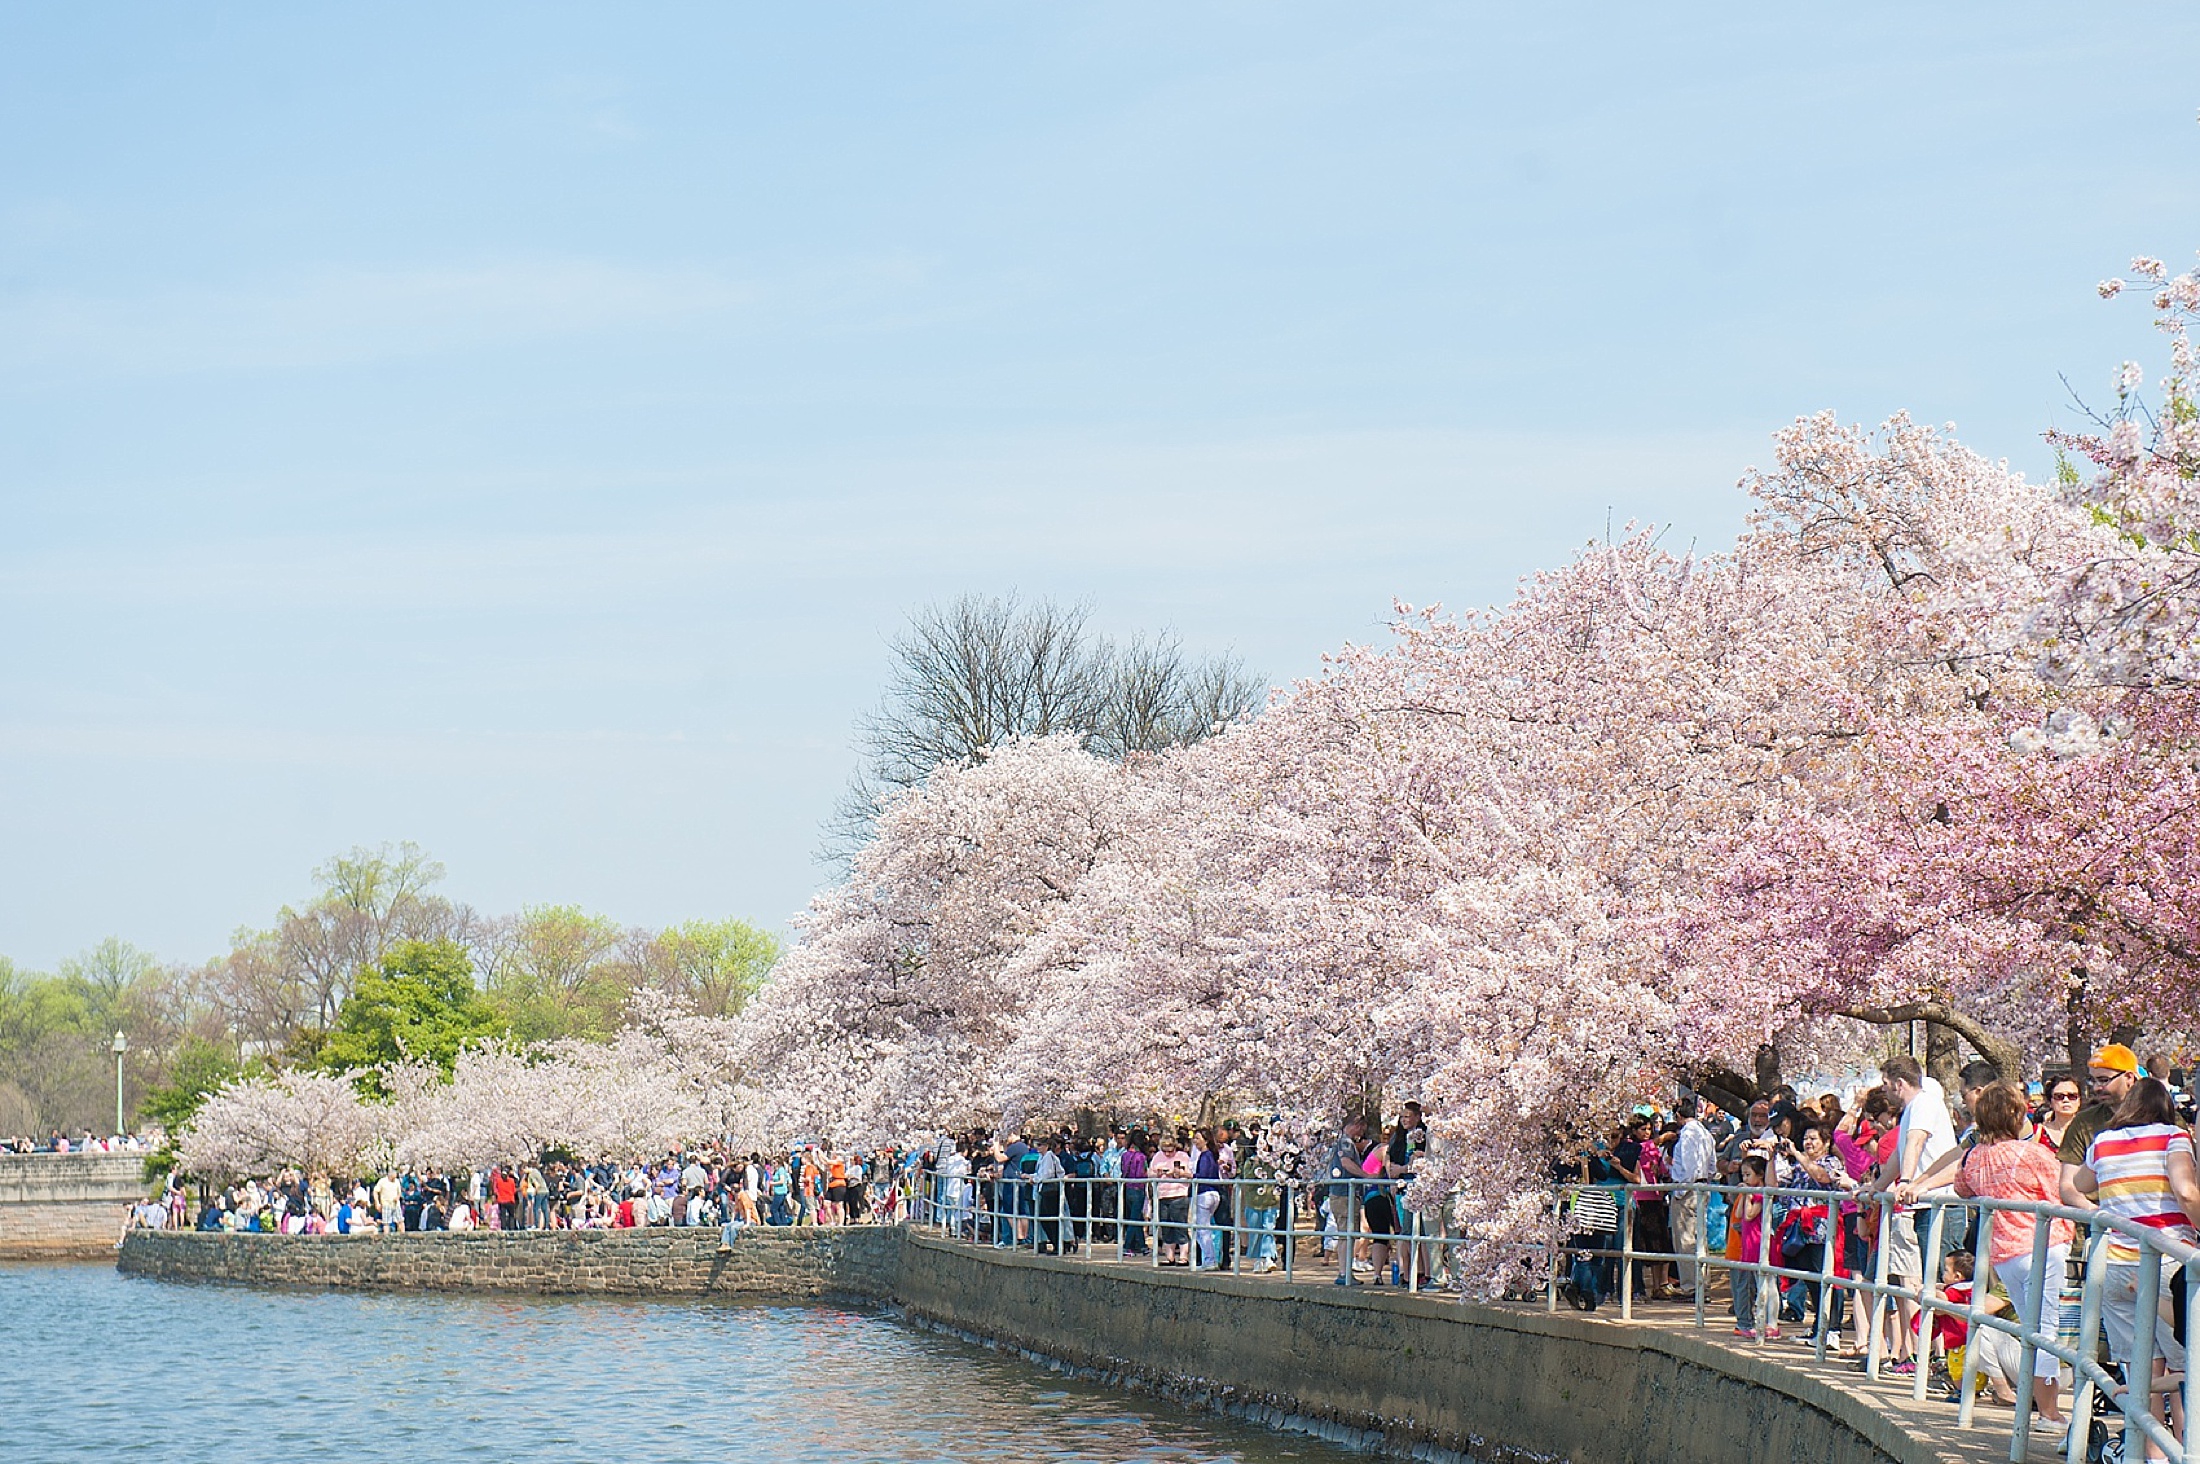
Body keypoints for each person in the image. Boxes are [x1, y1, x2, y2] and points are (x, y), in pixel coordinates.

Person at [2073, 1077, 2200, 1459]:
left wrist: (2108, 1204)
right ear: (2166, 1108)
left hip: (2115, 1260)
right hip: (2168, 1259)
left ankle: (2150, 1456)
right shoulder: (2173, 1137)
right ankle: (2187, 1450)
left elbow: (2080, 1183)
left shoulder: (2103, 1141)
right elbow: (2186, 1191)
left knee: (2138, 1369)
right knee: (2184, 1370)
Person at [1951, 1081, 2073, 1429]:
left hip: (2004, 1253)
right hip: (2041, 1246)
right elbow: (2059, 1191)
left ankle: (2040, 1405)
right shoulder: (2032, 1153)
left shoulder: (1973, 1157)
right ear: (2015, 1114)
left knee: (2030, 1325)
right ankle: (2049, 1411)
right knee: (2044, 1327)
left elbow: (1963, 1188)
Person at [1873, 1056, 1956, 1374]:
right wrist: (1877, 1186)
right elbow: (1898, 1154)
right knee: (1925, 1281)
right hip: (1922, 1204)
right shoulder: (1912, 1109)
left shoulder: (1923, 1104)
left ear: (1898, 1083)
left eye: (1885, 1084)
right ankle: (1938, 1360)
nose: (1884, 1091)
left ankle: (1948, 1359)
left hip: (1940, 1205)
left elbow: (1915, 1142)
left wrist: (1906, 1182)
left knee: (1941, 1282)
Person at [1668, 1094, 1716, 1294]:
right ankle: (1702, 1284)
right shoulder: (1705, 1133)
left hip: (1688, 1190)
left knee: (1686, 1239)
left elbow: (1688, 1168)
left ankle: (1691, 1286)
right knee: (1699, 1238)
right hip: (1702, 1187)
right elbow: (1712, 1165)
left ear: (1679, 1116)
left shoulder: (1688, 1135)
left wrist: (1680, 1191)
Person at [1150, 1130, 1194, 1265]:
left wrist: (1177, 1173)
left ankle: (1183, 1257)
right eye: (1165, 1151)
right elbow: (1150, 1174)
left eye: (1171, 1150)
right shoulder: (1157, 1157)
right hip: (1163, 1195)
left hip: (1179, 1194)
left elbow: (1190, 1174)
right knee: (1166, 1227)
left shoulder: (1183, 1156)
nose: (1168, 1154)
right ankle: (1170, 1257)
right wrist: (1158, 1173)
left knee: (1180, 1226)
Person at [2037, 1074, 2084, 1153]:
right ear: (2050, 1102)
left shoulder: (2088, 1131)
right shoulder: (2038, 1131)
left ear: (2079, 1101)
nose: (2066, 1100)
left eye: (2072, 1096)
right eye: (2059, 1096)